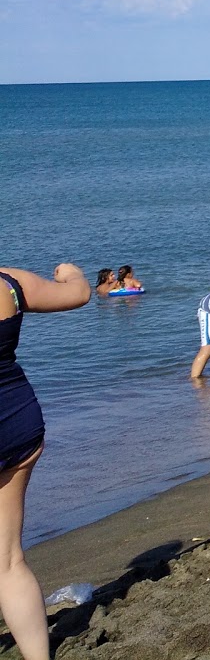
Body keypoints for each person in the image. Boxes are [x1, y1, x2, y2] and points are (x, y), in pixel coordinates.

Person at [0, 262, 90, 660]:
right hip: (15, 422)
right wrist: (70, 272)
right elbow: (79, 293)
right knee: (8, 561)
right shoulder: (9, 283)